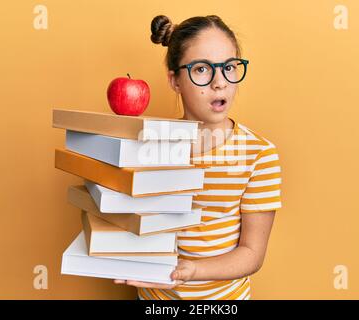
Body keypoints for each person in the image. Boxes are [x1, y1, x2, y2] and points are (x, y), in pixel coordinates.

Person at [114, 14, 283, 300]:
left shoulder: (259, 155)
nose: (220, 82)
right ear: (175, 80)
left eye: (229, 67)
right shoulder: (150, 146)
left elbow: (252, 254)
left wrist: (191, 270)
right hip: (155, 300)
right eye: (202, 69)